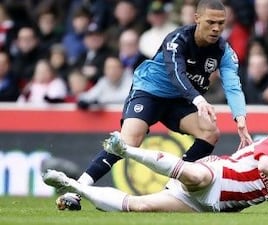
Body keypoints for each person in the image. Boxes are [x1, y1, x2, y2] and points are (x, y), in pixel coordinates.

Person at [58, 0, 252, 209]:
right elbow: (175, 73)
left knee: (210, 132)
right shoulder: (177, 40)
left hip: (179, 101)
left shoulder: (224, 51)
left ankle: (171, 189)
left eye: (221, 23)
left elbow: (233, 85)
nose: (216, 28)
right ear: (197, 19)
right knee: (129, 141)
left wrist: (240, 119)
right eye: (210, 22)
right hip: (150, 91)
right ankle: (77, 189)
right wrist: (198, 99)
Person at [43, 130, 268, 215]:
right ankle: (127, 150)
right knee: (197, 176)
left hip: (208, 205)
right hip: (216, 175)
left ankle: (70, 184)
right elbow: (266, 167)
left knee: (140, 206)